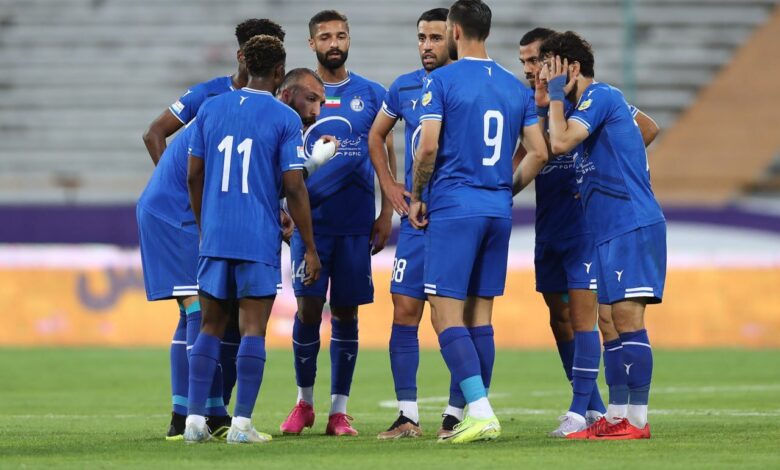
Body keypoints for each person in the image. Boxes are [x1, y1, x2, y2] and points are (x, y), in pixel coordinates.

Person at [138, 19, 286, 440]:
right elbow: (155, 135)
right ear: (243, 55)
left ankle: (206, 413)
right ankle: (189, 415)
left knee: (215, 314)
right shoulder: (211, 97)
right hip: (177, 211)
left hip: (209, 212)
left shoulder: (259, 104)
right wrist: (178, 185)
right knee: (198, 310)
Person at [408, 0, 548, 444]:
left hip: (455, 207)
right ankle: (470, 412)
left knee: (444, 313)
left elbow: (428, 147)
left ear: (454, 31)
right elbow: (539, 152)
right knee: (481, 315)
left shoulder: (441, 81)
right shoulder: (514, 87)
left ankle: (482, 412)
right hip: (497, 210)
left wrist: (417, 195)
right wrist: (505, 189)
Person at [518, 27, 660, 437]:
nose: (540, 75)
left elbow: (561, 142)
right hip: (600, 226)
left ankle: (634, 419)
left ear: (571, 68)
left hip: (627, 222)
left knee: (625, 319)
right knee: (607, 320)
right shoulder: (580, 106)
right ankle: (613, 416)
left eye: (546, 66)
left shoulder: (601, 97)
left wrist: (554, 96)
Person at [183, 34, 321, 444]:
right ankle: (241, 425)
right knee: (252, 330)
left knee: (209, 326)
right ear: (279, 71)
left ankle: (194, 422)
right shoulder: (284, 118)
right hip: (256, 236)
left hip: (216, 234)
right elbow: (293, 187)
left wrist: (205, 223)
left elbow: (193, 174)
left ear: (246, 63)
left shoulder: (211, 108)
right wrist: (310, 247)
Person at [280, 10, 392, 437]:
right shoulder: (294, 95)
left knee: (346, 312)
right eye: (325, 36)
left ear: (349, 39)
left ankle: (338, 411)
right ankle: (304, 403)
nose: (334, 43)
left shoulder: (372, 93)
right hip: (309, 224)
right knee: (308, 309)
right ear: (311, 43)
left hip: (354, 224)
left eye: (340, 35)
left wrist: (386, 212)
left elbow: (385, 149)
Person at [367, 7, 464, 440]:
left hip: (456, 216)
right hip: (415, 219)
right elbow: (376, 134)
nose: (426, 46)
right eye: (422, 37)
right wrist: (390, 185)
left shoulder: (468, 84)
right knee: (405, 309)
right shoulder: (404, 85)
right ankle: (407, 415)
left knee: (452, 317)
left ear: (455, 39)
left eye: (435, 38)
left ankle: (457, 413)